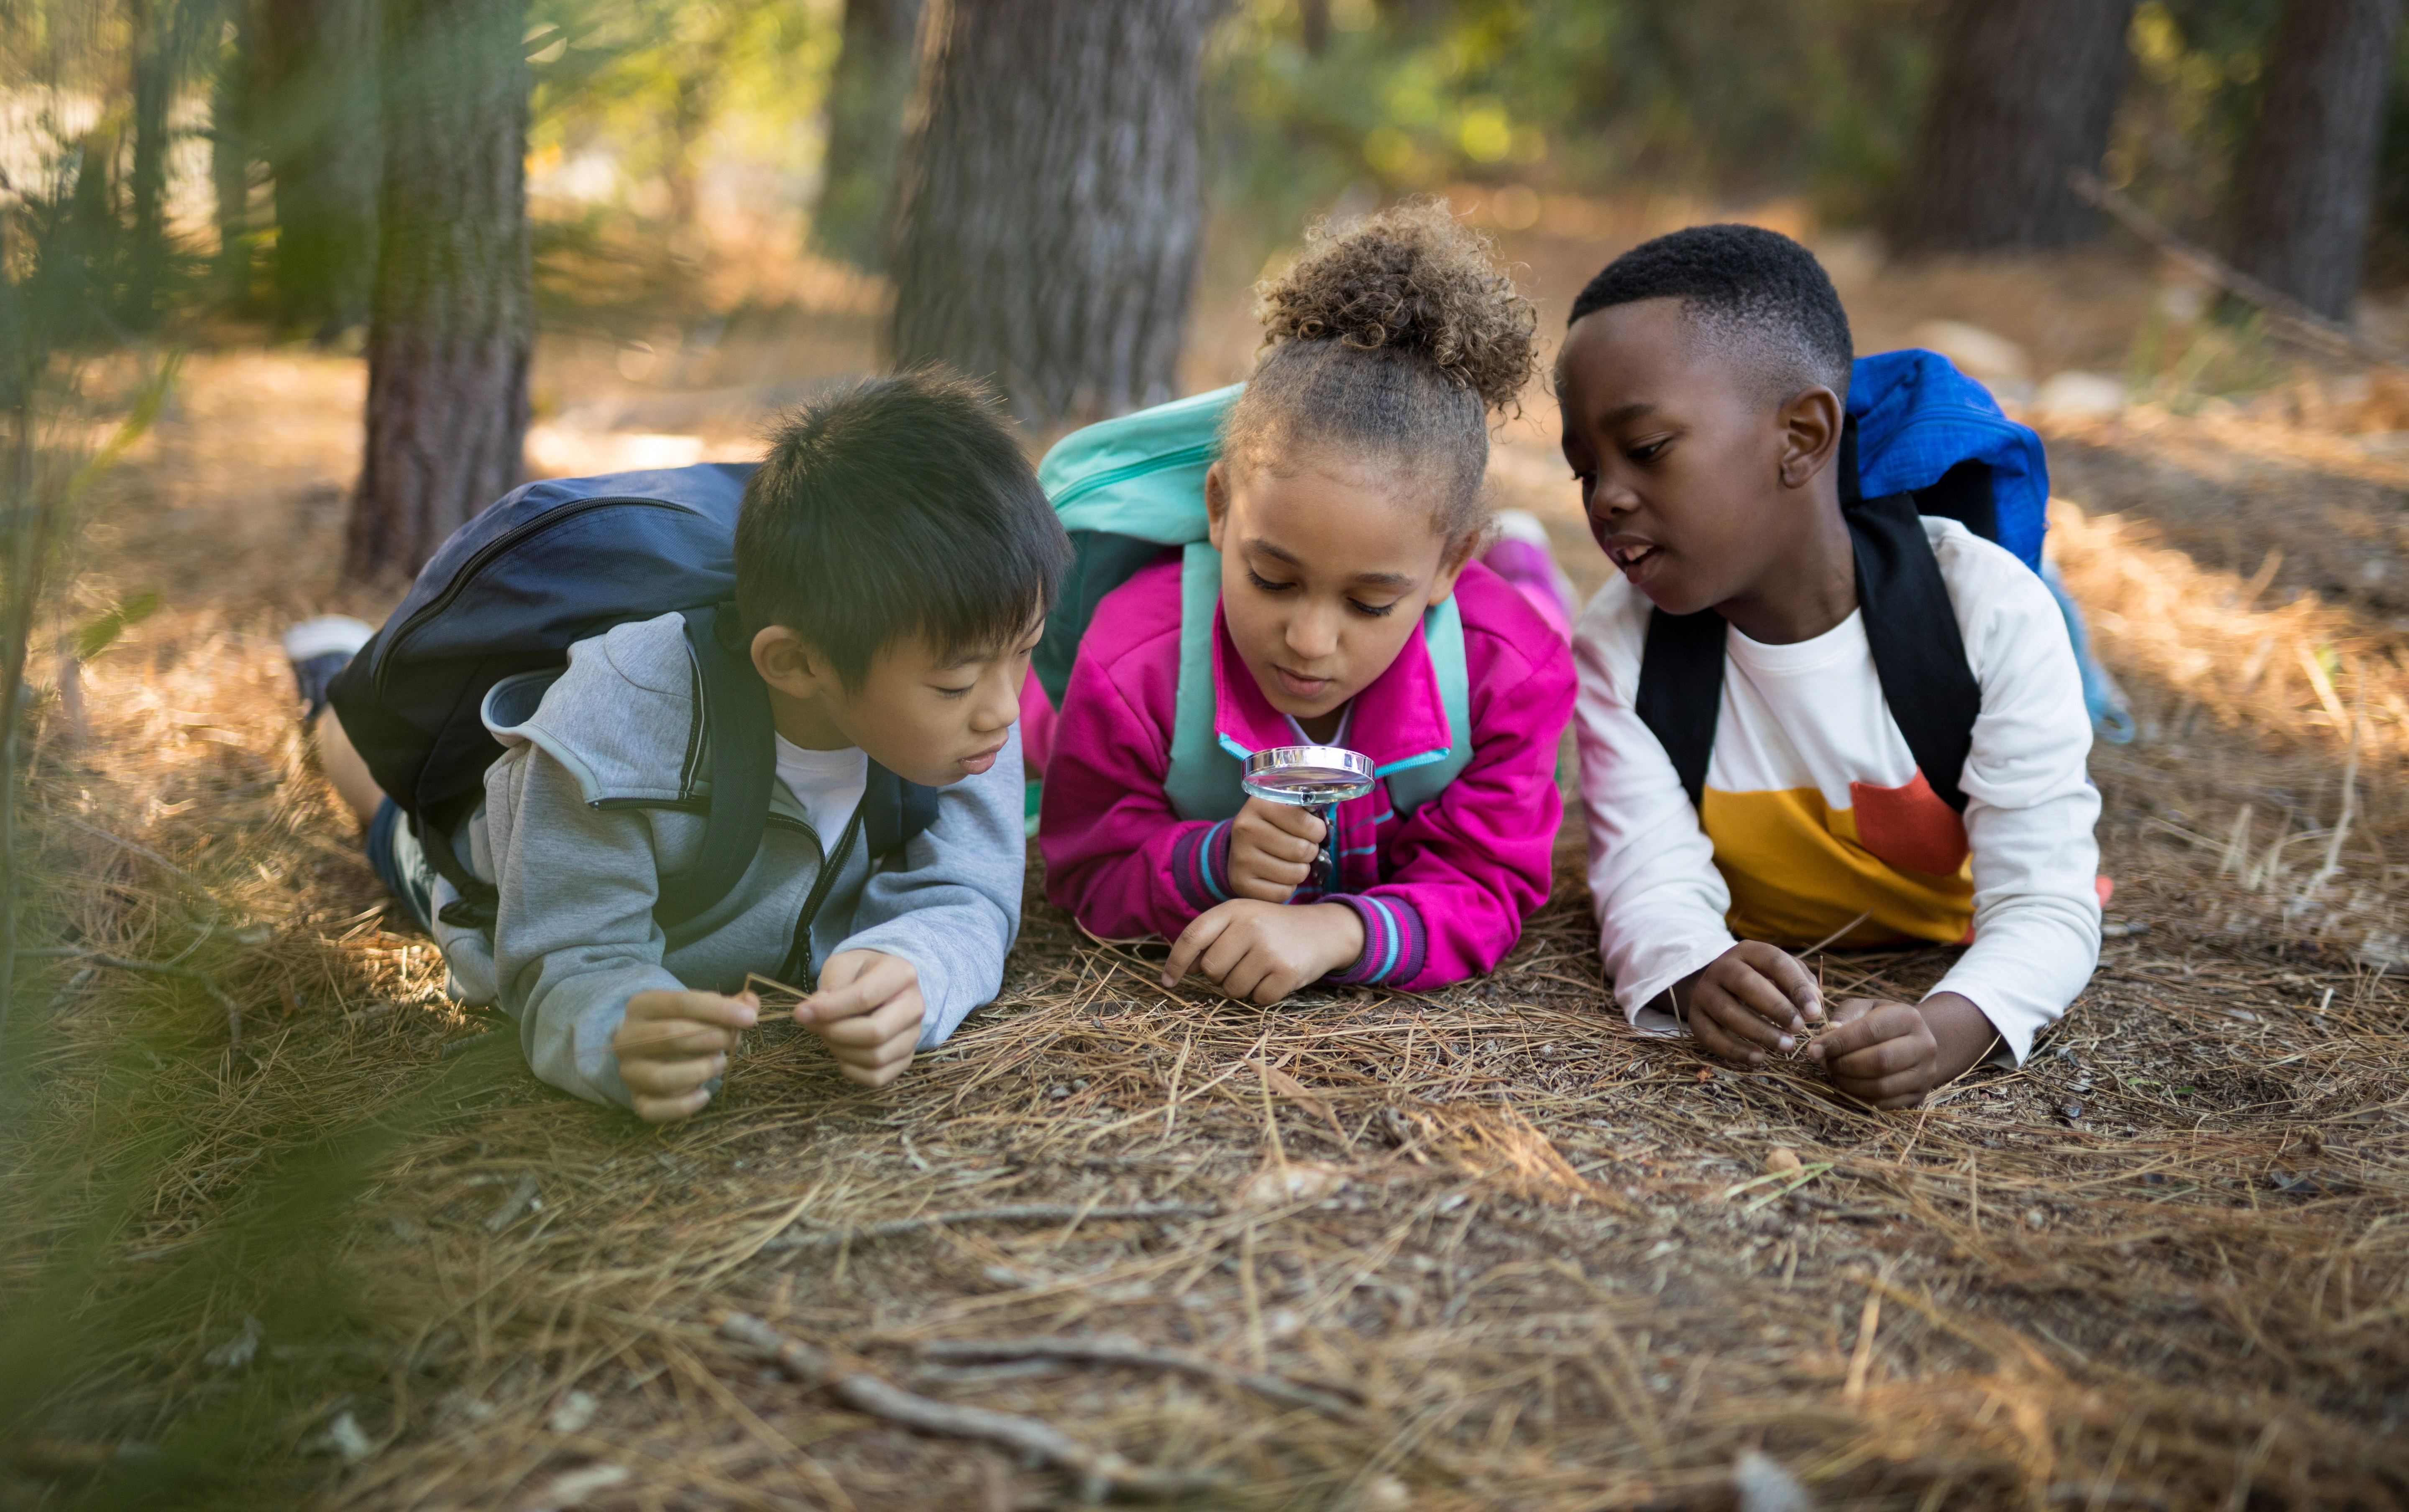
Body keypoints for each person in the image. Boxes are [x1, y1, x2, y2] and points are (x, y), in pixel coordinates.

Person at [286, 372, 1066, 1120]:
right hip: (508, 862)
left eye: (1024, 650)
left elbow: (965, 898)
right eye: (956, 685)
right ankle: (329, 674)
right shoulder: (618, 724)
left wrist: (916, 971)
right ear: (795, 664)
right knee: (371, 785)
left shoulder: (969, 720)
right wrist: (614, 1028)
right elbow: (569, 957)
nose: (1004, 710)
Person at [1562, 225, 2102, 1108]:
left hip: (1955, 879)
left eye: (1648, 449)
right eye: (1585, 470)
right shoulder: (1623, 645)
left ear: (1803, 436)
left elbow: (2047, 904)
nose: (1607, 496)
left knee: (2058, 638)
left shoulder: (1985, 617)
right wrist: (1696, 972)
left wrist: (1947, 1029)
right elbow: (1645, 880)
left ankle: (2084, 645)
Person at [1039, 202, 1576, 1002]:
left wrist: (1338, 932)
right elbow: (1087, 868)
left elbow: (1488, 881)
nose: (1310, 640)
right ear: (1219, 510)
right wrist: (1211, 860)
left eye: (1369, 603)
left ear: (1447, 566)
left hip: (1500, 616)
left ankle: (1523, 559)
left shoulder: (1513, 672)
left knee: (1540, 610)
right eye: (1273, 579)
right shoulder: (1132, 662)